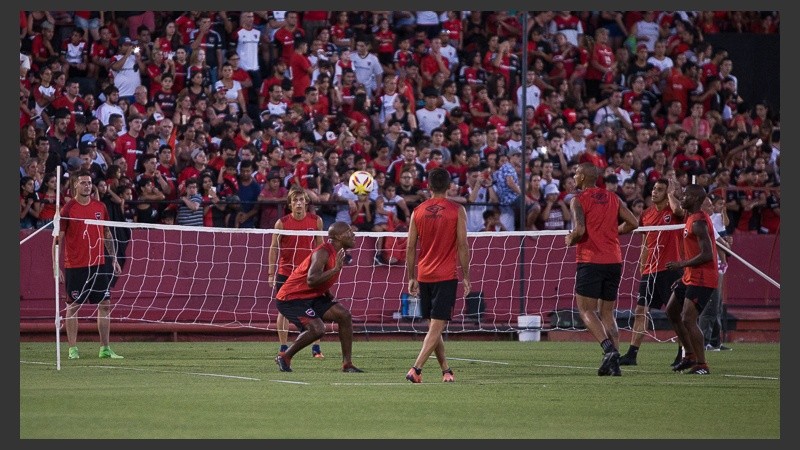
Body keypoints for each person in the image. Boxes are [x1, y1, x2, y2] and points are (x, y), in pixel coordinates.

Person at [565, 163, 638, 376]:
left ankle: (608, 350)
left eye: (576, 173)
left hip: (591, 260)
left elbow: (580, 230)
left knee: (586, 310)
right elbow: (633, 222)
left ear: (583, 177)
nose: (574, 176)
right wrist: (613, 232)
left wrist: (571, 239)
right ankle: (614, 366)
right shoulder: (613, 197)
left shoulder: (578, 200)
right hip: (614, 260)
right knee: (607, 312)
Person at [405, 167, 470, 383]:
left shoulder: (418, 211)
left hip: (424, 274)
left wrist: (411, 276)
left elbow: (410, 247)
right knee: (437, 326)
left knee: (435, 326)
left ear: (428, 186)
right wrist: (467, 276)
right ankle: (416, 369)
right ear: (450, 186)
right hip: (446, 275)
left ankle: (446, 370)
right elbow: (462, 245)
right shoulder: (457, 210)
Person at [274, 221, 363, 373]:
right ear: (338, 237)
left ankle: (347, 364)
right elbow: (312, 279)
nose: (353, 235)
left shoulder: (338, 252)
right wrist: (335, 270)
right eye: (349, 232)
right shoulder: (323, 252)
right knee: (318, 329)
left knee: (344, 315)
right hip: (291, 298)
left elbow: (319, 280)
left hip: (312, 295)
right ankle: (285, 356)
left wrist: (327, 292)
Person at [55, 170, 123, 360]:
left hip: (99, 264)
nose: (87, 186)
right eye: (83, 183)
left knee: (105, 304)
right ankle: (72, 349)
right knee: (73, 306)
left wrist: (114, 258)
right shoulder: (68, 209)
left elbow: (106, 233)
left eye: (89, 183)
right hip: (76, 265)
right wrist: (56, 264)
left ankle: (105, 348)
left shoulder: (100, 207)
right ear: (75, 185)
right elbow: (58, 239)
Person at [619, 178, 684, 366]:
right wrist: (642, 264)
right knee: (640, 310)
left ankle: (683, 352)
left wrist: (671, 194)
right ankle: (632, 354)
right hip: (650, 271)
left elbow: (679, 211)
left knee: (676, 314)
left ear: (668, 192)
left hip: (671, 270)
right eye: (654, 188)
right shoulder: (646, 214)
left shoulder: (674, 211)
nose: (655, 192)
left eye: (660, 189)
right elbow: (645, 243)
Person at [665, 185, 720, 375]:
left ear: (695, 199)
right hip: (690, 275)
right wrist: (684, 274)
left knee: (688, 319)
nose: (683, 197)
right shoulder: (690, 217)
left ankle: (702, 364)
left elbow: (707, 254)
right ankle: (689, 355)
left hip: (703, 277)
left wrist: (681, 264)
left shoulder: (699, 223)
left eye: (686, 195)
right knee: (672, 310)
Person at [269, 187, 326, 359]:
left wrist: (322, 269)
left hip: (308, 273)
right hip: (286, 272)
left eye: (301, 200)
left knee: (315, 307)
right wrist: (271, 273)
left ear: (306, 202)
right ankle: (283, 347)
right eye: (295, 200)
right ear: (290, 204)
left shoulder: (316, 221)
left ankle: (316, 348)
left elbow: (321, 246)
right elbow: (274, 248)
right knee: (283, 310)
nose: (299, 203)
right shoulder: (282, 223)